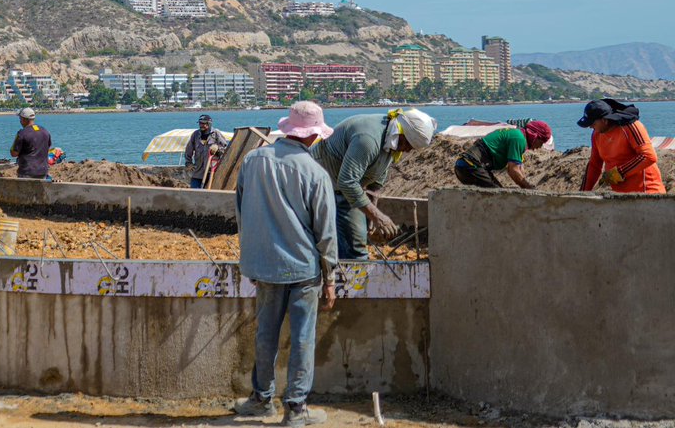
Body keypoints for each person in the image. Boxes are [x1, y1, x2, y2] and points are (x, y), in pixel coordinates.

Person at [233, 101, 336, 426]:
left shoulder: (252, 161)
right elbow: (326, 231)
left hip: (264, 266)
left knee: (265, 334)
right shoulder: (316, 173)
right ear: (313, 136)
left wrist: (251, 259)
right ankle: (296, 410)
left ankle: (261, 400)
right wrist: (330, 276)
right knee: (303, 338)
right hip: (304, 270)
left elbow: (241, 212)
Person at [311, 108, 436, 259]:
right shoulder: (368, 139)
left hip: (342, 184)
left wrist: (370, 215)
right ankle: (351, 278)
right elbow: (347, 182)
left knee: (353, 236)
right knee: (354, 250)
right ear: (401, 134)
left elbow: (376, 179)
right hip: (325, 182)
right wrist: (378, 217)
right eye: (408, 145)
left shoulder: (391, 137)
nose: (408, 151)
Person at [577, 99, 666, 194]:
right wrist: (581, 194)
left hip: (647, 193)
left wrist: (619, 172)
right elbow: (594, 165)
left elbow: (649, 156)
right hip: (620, 195)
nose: (590, 127)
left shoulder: (630, 127)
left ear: (604, 120)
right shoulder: (596, 134)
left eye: (593, 123)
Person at [454, 121, 551, 188]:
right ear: (535, 137)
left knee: (498, 192)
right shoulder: (519, 139)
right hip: (471, 165)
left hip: (465, 165)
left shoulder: (517, 135)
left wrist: (525, 185)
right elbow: (513, 170)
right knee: (497, 196)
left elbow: (519, 168)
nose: (540, 147)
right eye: (541, 142)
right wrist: (528, 188)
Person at [183, 114, 230, 189]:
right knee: (194, 194)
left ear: (209, 124)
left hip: (212, 172)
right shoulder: (195, 135)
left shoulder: (216, 134)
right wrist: (189, 163)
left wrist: (217, 148)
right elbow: (188, 150)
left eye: (203, 123)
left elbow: (226, 149)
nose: (201, 125)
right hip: (198, 172)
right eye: (200, 123)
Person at [10, 107, 52, 180]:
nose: (20, 121)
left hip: (27, 172)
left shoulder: (22, 133)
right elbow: (48, 147)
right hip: (43, 171)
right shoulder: (45, 131)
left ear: (24, 119)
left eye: (20, 118)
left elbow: (14, 153)